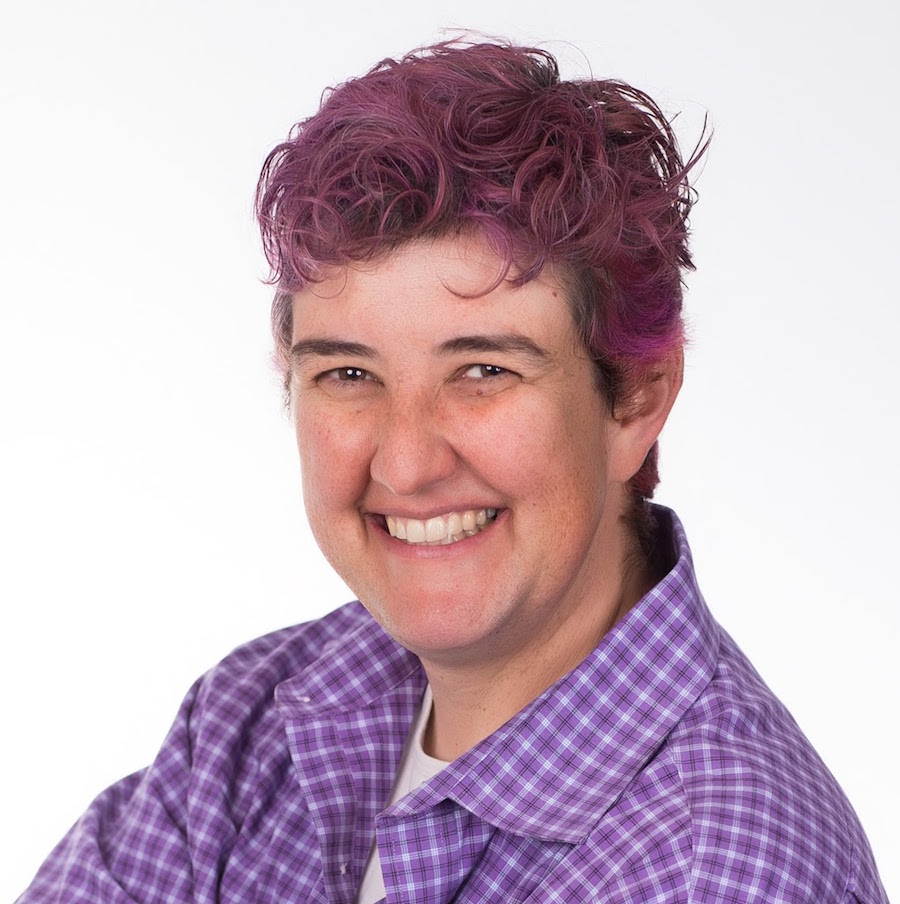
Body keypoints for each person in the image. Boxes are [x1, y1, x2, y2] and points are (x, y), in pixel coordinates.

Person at [19, 40, 887, 904]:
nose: (405, 463)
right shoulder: (247, 730)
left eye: (482, 372)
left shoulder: (719, 874)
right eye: (348, 374)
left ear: (635, 399)